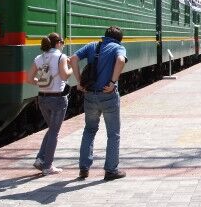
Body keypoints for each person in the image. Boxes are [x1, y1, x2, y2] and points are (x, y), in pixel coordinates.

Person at [69, 26, 127, 181]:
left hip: (90, 96)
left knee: (89, 130)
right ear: (119, 39)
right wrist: (113, 82)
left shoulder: (92, 45)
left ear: (105, 36)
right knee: (113, 134)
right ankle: (111, 170)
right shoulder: (118, 48)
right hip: (108, 96)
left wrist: (79, 81)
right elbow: (121, 60)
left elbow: (72, 59)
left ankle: (84, 168)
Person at [27, 33, 72, 175]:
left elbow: (29, 79)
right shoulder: (61, 57)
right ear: (58, 43)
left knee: (51, 129)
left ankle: (40, 159)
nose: (63, 44)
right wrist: (71, 67)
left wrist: (41, 82)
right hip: (57, 99)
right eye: (62, 42)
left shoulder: (39, 58)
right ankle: (48, 166)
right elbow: (65, 76)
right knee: (54, 131)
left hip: (42, 98)